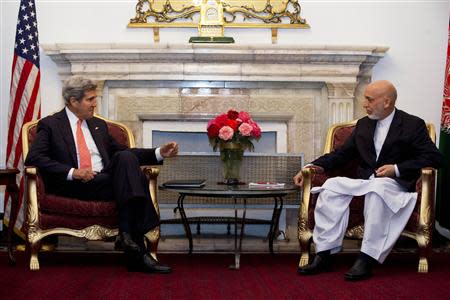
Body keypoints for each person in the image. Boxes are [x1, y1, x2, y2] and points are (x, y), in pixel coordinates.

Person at [25, 76, 179, 274]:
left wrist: (158, 152)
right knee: (134, 178)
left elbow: (125, 153)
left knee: (125, 157)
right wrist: (73, 172)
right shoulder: (51, 124)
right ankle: (136, 247)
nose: (95, 104)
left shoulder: (97, 125)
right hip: (74, 184)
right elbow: (34, 157)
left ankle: (127, 236)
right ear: (73, 101)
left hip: (104, 181)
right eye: (90, 99)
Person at [293, 80, 443, 281]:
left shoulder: (412, 125)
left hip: (394, 184)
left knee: (377, 191)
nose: (364, 104)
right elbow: (341, 155)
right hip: (366, 181)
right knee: (330, 187)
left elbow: (434, 157)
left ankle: (367, 258)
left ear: (387, 102)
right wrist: (309, 167)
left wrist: (396, 169)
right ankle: (324, 254)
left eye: (369, 99)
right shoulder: (364, 124)